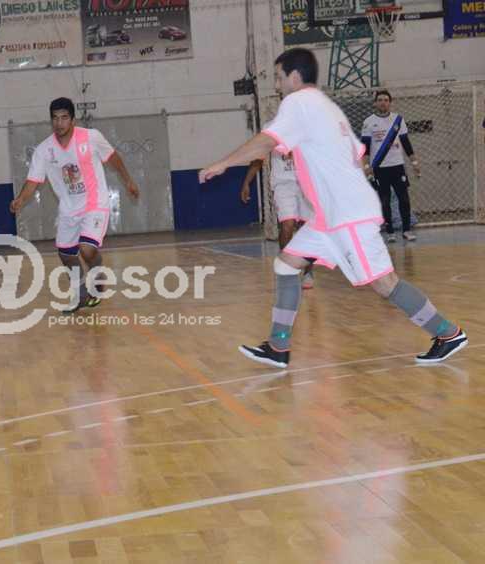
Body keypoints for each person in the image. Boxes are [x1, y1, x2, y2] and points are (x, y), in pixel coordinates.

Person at [199, 48, 467, 368]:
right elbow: (357, 154)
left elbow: (266, 142)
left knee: (384, 283)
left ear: (295, 76)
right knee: (286, 264)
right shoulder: (328, 108)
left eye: (279, 77)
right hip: (328, 217)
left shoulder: (298, 102)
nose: (277, 84)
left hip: (347, 215)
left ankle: (447, 333)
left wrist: (222, 164)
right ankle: (278, 346)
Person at [10, 97, 140, 313]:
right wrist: (20, 200)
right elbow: (33, 180)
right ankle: (80, 295)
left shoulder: (91, 137)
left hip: (94, 203)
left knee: (87, 249)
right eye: (55, 118)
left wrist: (128, 181)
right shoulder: (44, 150)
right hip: (69, 209)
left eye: (64, 118)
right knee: (66, 254)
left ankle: (97, 278)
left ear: (73, 120)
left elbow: (113, 157)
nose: (59, 123)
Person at [240, 142, 315, 289]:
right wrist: (247, 182)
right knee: (287, 225)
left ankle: (308, 272)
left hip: (306, 182)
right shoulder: (272, 132)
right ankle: (287, 269)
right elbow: (259, 157)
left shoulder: (306, 131)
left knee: (307, 229)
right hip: (283, 184)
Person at [361, 90, 421, 242]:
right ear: (375, 103)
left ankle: (406, 230)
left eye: (386, 100)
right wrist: (366, 167)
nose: (383, 102)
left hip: (398, 166)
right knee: (385, 201)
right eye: (380, 100)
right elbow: (365, 147)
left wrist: (414, 162)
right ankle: (390, 232)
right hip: (379, 168)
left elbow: (406, 142)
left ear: (390, 103)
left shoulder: (398, 120)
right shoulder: (368, 122)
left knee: (404, 199)